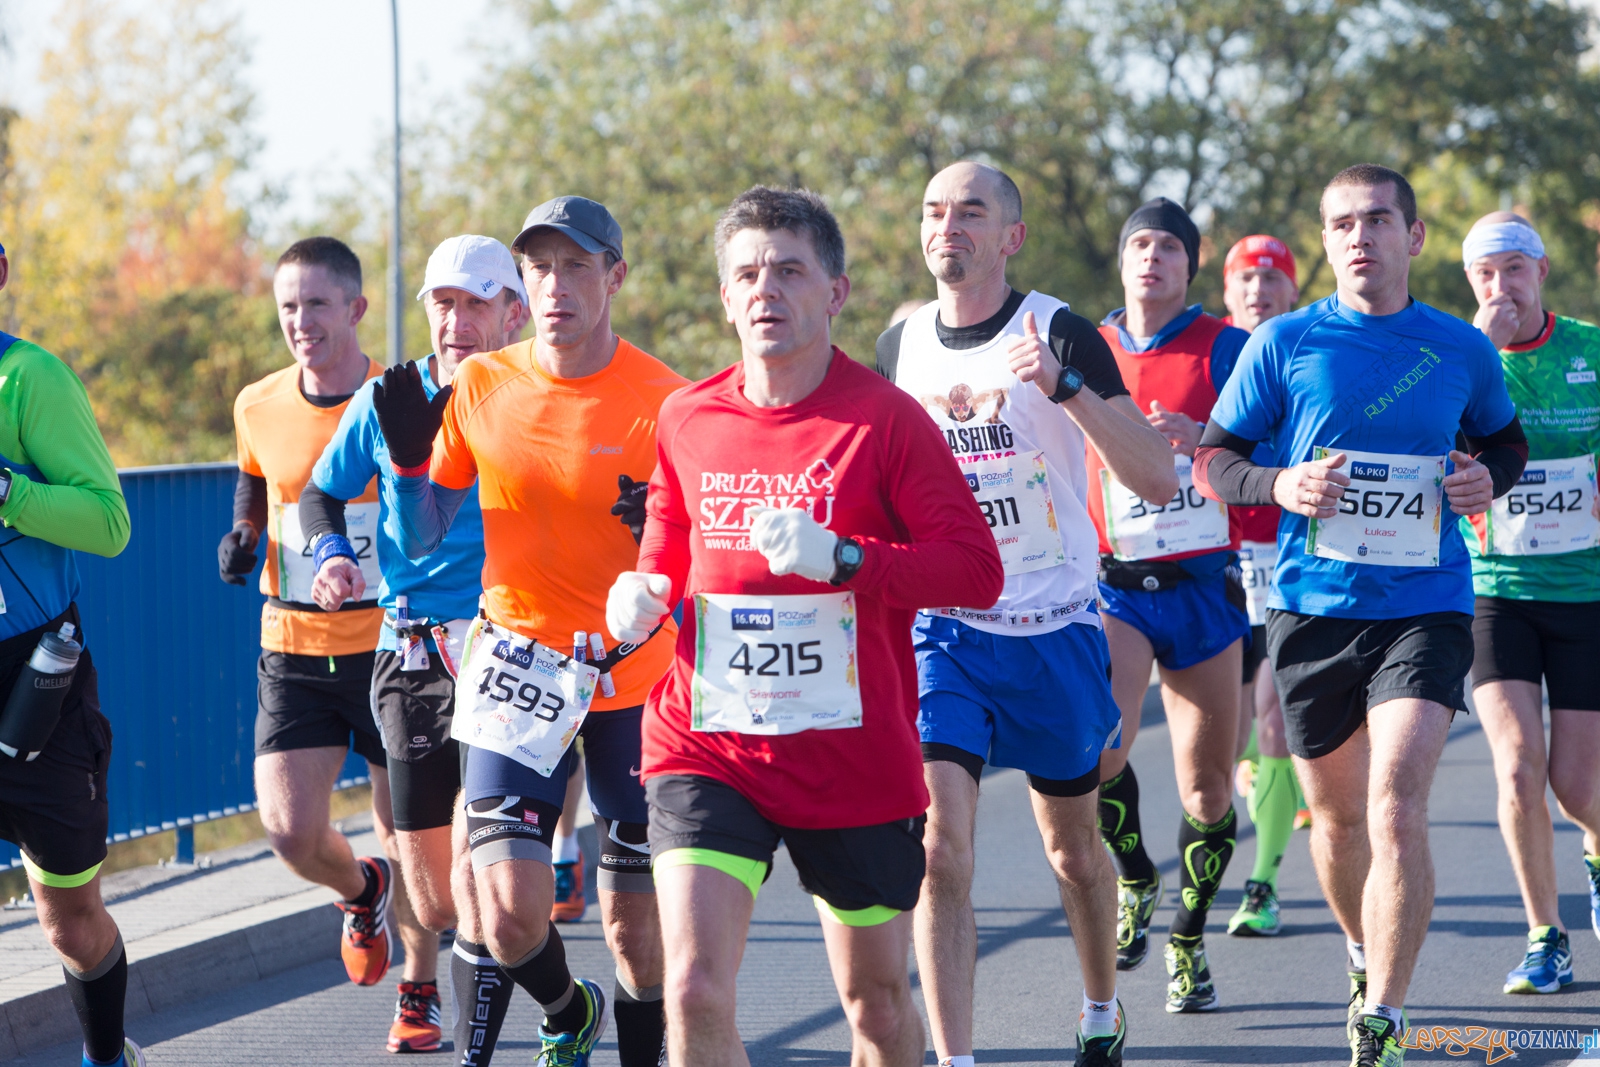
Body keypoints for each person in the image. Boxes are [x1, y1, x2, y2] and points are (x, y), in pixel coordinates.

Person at [608, 186, 1004, 1067]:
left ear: (836, 291)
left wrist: (850, 560)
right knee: (694, 987)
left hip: (850, 756)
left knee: (877, 1010)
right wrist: (639, 591)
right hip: (707, 742)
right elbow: (669, 543)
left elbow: (977, 571)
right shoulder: (686, 415)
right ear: (724, 297)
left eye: (790, 270)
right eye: (747, 273)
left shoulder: (886, 421)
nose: (766, 290)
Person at [1193, 163, 1526, 1066]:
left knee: (1396, 801)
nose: (1360, 237)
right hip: (1312, 609)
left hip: (1426, 605)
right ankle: (1358, 949)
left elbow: (1505, 439)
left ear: (1413, 238)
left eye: (1378, 221)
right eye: (1342, 223)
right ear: (1327, 241)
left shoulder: (1459, 348)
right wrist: (1278, 483)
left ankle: (1384, 1012)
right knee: (1337, 823)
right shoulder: (1286, 343)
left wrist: (1483, 477)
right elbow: (1215, 459)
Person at [876, 161, 1176, 1066]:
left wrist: (1064, 386)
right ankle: (957, 1056)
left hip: (1054, 630)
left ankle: (1098, 1007)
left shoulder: (1061, 330)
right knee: (939, 849)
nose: (948, 227)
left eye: (971, 211)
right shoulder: (899, 346)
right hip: (945, 631)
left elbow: (1157, 478)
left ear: (1010, 236)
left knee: (1075, 852)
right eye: (934, 210)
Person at [382, 197, 683, 1067]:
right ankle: (566, 1005)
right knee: (509, 911)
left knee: (634, 926)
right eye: (540, 268)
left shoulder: (664, 398)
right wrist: (407, 466)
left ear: (614, 277)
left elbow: (700, 537)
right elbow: (425, 529)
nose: (555, 287)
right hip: (519, 666)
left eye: (576, 266)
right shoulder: (482, 384)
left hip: (633, 677)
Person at [300, 234, 530, 1058]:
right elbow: (319, 494)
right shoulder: (391, 397)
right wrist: (329, 556)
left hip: (509, 648)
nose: (456, 320)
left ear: (515, 312)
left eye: (475, 303)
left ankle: (476, 1036)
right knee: (435, 899)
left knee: (483, 872)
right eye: (443, 302)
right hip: (409, 651)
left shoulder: (534, 393)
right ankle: (568, 1001)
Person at [219, 238, 432, 1050]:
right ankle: (358, 888)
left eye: (316, 304)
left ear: (355, 309)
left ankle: (417, 989)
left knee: (406, 834)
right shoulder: (257, 401)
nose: (300, 323)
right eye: (287, 308)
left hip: (394, 647)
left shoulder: (403, 399)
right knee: (290, 831)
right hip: (294, 644)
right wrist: (241, 536)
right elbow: (254, 479)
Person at [1089, 198, 1251, 1013]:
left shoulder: (1229, 345)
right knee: (1100, 758)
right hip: (1116, 585)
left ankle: (1187, 939)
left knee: (1209, 792)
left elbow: (1274, 453)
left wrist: (1207, 436)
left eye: (1168, 247)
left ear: (1190, 266)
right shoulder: (1089, 346)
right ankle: (1136, 878)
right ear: (1123, 261)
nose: (1151, 257)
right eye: (1139, 244)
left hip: (1201, 589)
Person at [0, 240, 140, 1067]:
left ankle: (107, 1056)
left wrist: (9, 491)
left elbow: (109, 524)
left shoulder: (30, 379)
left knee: (70, 920)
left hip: (33, 686)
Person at [1459, 211, 1600, 995]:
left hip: (1587, 590)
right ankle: (1546, 935)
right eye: (1485, 272)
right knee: (1517, 767)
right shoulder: (1458, 356)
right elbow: (1429, 442)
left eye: (1514, 268)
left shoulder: (1589, 347)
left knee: (1579, 788)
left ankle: (1596, 857)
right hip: (1496, 591)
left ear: (1542, 272)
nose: (1500, 286)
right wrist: (1475, 352)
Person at [1218, 234, 1305, 938]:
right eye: (1246, 279)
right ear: (1226, 292)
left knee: (1273, 714)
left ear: (1292, 292)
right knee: (1236, 733)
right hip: (1214, 566)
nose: (1258, 290)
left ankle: (1264, 881)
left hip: (1287, 558)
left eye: (1272, 279)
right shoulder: (1208, 354)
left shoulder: (1302, 351)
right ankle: (1264, 775)